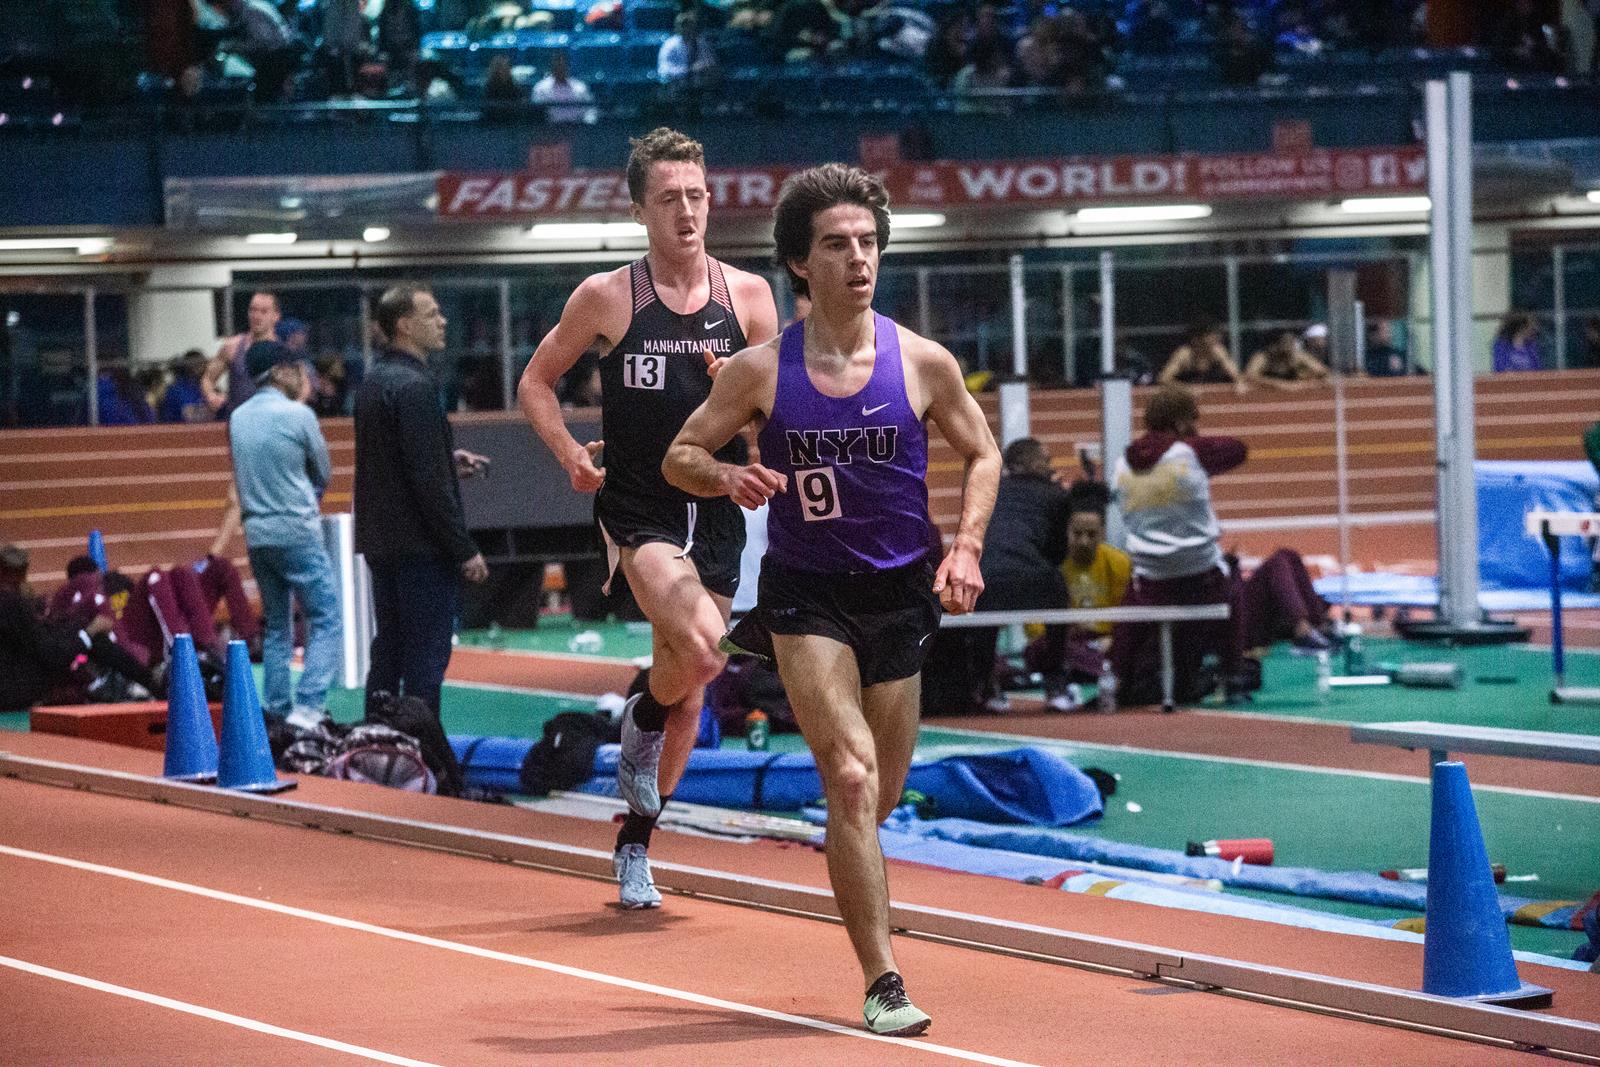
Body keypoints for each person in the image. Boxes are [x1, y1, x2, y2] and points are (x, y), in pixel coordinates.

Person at [663, 163, 1000, 1036]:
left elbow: (985, 451)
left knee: (876, 797)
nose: (859, 258)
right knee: (848, 778)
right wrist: (731, 472)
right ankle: (884, 980)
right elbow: (680, 455)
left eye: (869, 243)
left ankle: (851, 862)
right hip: (807, 596)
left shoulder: (922, 361)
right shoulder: (758, 369)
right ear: (800, 265)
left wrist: (964, 548)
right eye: (837, 245)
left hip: (901, 594)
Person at [517, 127, 779, 910]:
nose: (689, 212)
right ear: (640, 209)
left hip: (719, 508)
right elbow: (536, 381)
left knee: (694, 684)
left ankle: (635, 834)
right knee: (706, 645)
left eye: (698, 195)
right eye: (670, 199)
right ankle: (645, 716)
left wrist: (742, 391)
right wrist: (568, 451)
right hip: (639, 510)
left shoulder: (752, 298)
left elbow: (776, 416)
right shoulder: (607, 296)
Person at [354, 285, 490, 722]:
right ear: (405, 326)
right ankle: (421, 747)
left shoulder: (373, 382)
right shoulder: (416, 386)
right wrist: (463, 547)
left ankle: (374, 737)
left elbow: (394, 459)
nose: (443, 321)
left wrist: (444, 458)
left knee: (389, 647)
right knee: (426, 660)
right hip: (421, 547)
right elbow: (426, 481)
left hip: (381, 541)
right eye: (432, 313)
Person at [229, 340, 343, 731]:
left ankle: (275, 709)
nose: (301, 375)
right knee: (325, 618)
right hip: (297, 530)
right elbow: (323, 472)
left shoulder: (238, 418)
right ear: (279, 372)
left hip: (258, 535)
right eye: (295, 368)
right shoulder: (300, 415)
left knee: (277, 625)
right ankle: (309, 707)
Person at [1109, 383, 1247, 706]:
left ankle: (1118, 675)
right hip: (1201, 575)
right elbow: (1238, 449)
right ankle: (1233, 676)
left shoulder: (1122, 463)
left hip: (1150, 582)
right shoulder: (1192, 452)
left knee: (1131, 597)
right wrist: (1190, 440)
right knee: (1235, 587)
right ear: (1182, 422)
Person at [968, 437, 1075, 712]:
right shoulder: (1055, 494)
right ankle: (1055, 685)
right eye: (1045, 460)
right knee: (1058, 593)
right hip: (1034, 577)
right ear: (1028, 463)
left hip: (987, 579)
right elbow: (1059, 553)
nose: (1050, 465)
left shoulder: (990, 488)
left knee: (983, 600)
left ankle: (986, 686)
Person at [0, 543, 158, 712]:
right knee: (90, 637)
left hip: (15, 676)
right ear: (18, 574)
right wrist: (88, 634)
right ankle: (146, 682)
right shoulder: (12, 604)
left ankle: (139, 680)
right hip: (15, 693)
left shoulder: (13, 601)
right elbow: (52, 655)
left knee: (79, 628)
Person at [1159, 321, 1245, 389]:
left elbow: (1235, 373)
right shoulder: (1185, 354)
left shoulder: (1218, 351)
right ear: (1197, 339)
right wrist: (1185, 388)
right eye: (1210, 335)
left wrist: (1239, 382)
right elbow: (1164, 378)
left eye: (1215, 335)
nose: (1215, 338)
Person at [1244, 330, 1329, 389]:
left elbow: (1324, 372)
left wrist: (1308, 382)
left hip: (1295, 398)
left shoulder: (1297, 356)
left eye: (1291, 343)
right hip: (1266, 396)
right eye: (1286, 343)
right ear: (1274, 345)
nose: (1290, 346)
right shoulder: (1262, 357)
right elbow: (1249, 376)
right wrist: (1280, 384)